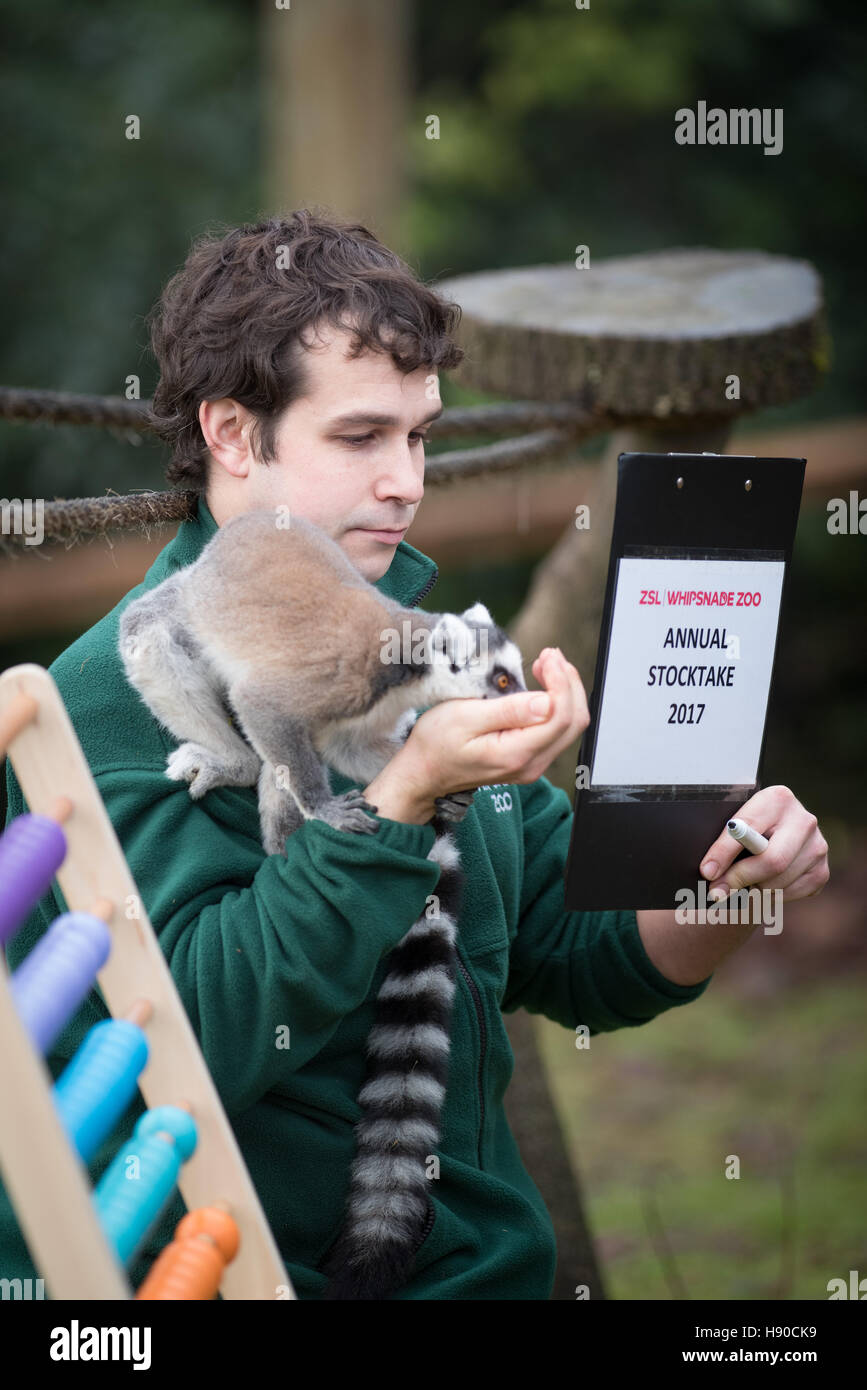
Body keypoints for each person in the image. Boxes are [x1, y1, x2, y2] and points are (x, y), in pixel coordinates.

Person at [0, 211, 829, 1300]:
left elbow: (568, 957)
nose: (406, 481)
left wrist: (726, 892)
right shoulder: (108, 706)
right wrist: (400, 799)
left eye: (421, 435)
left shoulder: (416, 634)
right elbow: (193, 1037)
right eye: (360, 438)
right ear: (234, 435)